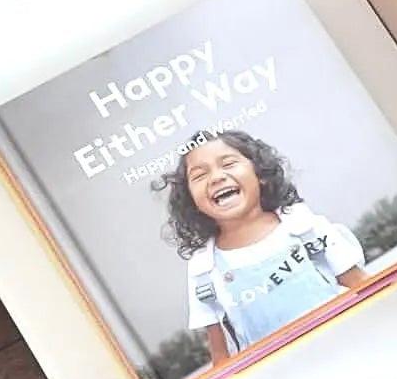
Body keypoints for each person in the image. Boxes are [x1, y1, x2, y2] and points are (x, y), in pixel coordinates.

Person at [154, 130, 367, 363]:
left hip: (349, 354)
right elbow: (221, 358)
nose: (216, 178)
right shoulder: (203, 270)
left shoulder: (306, 228)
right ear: (191, 200)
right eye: (199, 175)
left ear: (260, 174)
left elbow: (365, 288)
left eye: (228, 164)